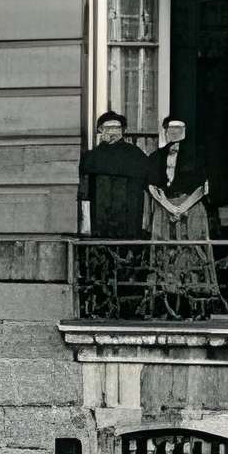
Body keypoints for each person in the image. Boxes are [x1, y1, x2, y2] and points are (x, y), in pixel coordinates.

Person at [75, 110, 153, 318]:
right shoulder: (91, 158)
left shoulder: (135, 155)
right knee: (101, 265)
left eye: (116, 128)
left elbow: (148, 189)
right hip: (101, 224)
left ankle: (130, 309)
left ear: (123, 131)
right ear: (100, 130)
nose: (112, 132)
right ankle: (101, 307)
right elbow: (84, 194)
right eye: (108, 128)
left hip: (129, 223)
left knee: (130, 265)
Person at [142, 117, 220, 318]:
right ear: (165, 131)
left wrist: (183, 207)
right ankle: (165, 301)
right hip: (164, 208)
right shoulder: (156, 157)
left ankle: (194, 304)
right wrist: (168, 207)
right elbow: (152, 186)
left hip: (191, 208)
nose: (174, 131)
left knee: (192, 251)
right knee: (164, 251)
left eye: (179, 128)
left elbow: (203, 187)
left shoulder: (198, 155)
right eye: (171, 128)